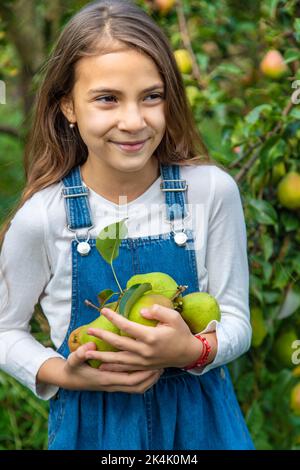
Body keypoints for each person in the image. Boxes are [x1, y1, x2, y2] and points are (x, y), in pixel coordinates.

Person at [0, 0, 255, 450]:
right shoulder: (44, 217)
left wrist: (194, 352)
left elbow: (235, 319)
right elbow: (5, 330)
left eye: (151, 96)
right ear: (68, 107)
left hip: (203, 428)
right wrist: (63, 373)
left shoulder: (211, 192)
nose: (134, 121)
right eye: (106, 99)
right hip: (94, 430)